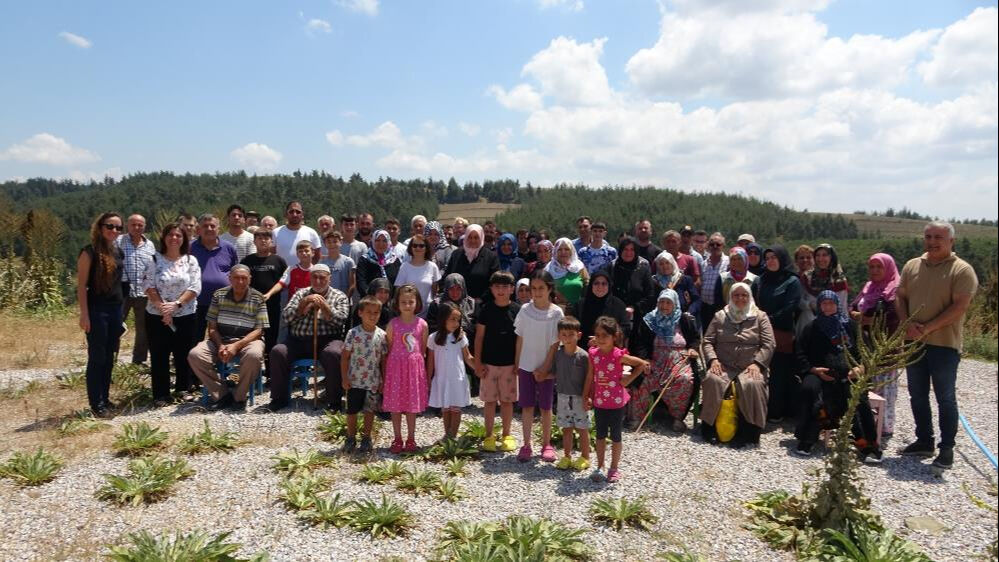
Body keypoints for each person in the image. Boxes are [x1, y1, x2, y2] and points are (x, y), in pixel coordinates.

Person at [896, 221, 978, 469]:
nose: (932, 242)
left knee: (945, 398)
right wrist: (906, 324)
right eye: (928, 236)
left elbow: (960, 307)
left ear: (951, 241)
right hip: (913, 342)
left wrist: (928, 328)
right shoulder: (912, 266)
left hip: (944, 346)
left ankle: (947, 449)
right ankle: (924, 440)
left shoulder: (962, 270)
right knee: (917, 395)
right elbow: (900, 296)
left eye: (938, 237)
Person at [793, 291, 881, 463]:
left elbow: (867, 352)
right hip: (820, 374)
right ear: (819, 306)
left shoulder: (851, 327)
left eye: (830, 303)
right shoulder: (811, 327)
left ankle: (867, 445)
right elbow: (800, 353)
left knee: (857, 398)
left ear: (837, 305)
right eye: (823, 304)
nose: (827, 307)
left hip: (849, 375)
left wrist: (860, 368)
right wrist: (813, 370)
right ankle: (808, 439)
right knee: (810, 389)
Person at [700, 282, 775, 447]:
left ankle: (749, 432)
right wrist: (713, 360)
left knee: (752, 384)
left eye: (744, 295)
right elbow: (707, 342)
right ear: (730, 297)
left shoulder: (760, 317)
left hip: (750, 366)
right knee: (713, 380)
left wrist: (757, 364)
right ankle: (710, 428)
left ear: (750, 297)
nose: (740, 298)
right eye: (736, 295)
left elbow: (769, 344)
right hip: (724, 364)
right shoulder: (720, 316)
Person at [267, 264, 350, 411]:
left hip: (328, 340)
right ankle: (279, 399)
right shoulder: (300, 294)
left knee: (334, 354)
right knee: (278, 351)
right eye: (315, 277)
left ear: (329, 279)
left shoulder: (339, 296)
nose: (318, 281)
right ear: (310, 278)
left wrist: (325, 307)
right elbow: (286, 318)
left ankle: (334, 401)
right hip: (298, 340)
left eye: (322, 278)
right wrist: (302, 305)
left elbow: (341, 321)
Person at [187, 265, 268, 412]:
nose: (240, 281)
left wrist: (236, 346)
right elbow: (212, 327)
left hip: (248, 340)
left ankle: (239, 396)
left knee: (254, 355)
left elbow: (259, 330)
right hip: (221, 339)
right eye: (236, 278)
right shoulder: (219, 295)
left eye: (244, 278)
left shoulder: (258, 298)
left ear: (250, 279)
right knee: (195, 355)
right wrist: (220, 346)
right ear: (229, 278)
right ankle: (221, 394)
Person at [583, 316, 649, 483]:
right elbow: (590, 376)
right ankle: (599, 466)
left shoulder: (618, 355)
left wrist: (629, 379)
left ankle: (614, 467)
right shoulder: (593, 354)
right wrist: (586, 396)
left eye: (605, 335)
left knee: (616, 436)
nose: (601, 339)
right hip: (599, 402)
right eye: (597, 335)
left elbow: (641, 364)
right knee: (599, 435)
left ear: (614, 336)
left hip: (616, 403)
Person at [143, 223, 201, 406]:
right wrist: (163, 308)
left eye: (178, 235)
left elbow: (195, 287)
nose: (174, 238)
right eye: (170, 235)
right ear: (164, 238)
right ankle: (161, 393)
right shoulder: (154, 259)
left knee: (184, 353)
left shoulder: (191, 261)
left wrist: (176, 305)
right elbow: (148, 285)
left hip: (185, 315)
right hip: (156, 315)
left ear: (184, 239)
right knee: (159, 354)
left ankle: (183, 388)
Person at [628, 289, 701, 432]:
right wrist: (644, 360)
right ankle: (637, 418)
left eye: (668, 302)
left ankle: (677, 417)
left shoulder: (684, 319)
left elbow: (695, 338)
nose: (664, 305)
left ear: (675, 304)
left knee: (685, 380)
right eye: (662, 302)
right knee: (642, 378)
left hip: (679, 361)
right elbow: (640, 343)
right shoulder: (649, 320)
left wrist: (693, 349)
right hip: (655, 359)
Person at [78, 212, 125, 417]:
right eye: (110, 226)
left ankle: (105, 399)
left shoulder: (118, 252)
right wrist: (84, 314)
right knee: (97, 357)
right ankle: (96, 404)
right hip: (97, 311)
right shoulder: (89, 253)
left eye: (118, 228)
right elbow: (81, 286)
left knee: (109, 357)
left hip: (115, 311)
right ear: (99, 227)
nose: (114, 230)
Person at [849, 253, 901, 441]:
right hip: (864, 345)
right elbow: (853, 306)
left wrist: (868, 320)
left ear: (888, 268)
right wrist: (858, 316)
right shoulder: (868, 287)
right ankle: (864, 425)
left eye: (879, 267)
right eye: (872, 267)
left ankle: (883, 429)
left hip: (885, 348)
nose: (875, 271)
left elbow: (893, 319)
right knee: (865, 387)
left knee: (884, 389)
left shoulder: (894, 291)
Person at [514, 270, 564, 463]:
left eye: (541, 288)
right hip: (526, 366)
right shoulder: (525, 310)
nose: (537, 292)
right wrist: (517, 364)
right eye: (533, 288)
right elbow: (519, 338)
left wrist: (545, 368)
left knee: (545, 407)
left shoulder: (557, 312)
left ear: (549, 289)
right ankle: (526, 444)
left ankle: (546, 444)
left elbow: (555, 343)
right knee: (526, 406)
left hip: (547, 368)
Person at [753, 245, 802, 424]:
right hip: (759, 331)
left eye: (774, 257)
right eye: (768, 258)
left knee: (779, 374)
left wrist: (766, 320)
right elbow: (752, 304)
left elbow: (791, 306)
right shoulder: (760, 280)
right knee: (758, 370)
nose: (771, 261)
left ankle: (776, 410)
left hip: (781, 332)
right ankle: (757, 407)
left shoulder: (792, 281)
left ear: (782, 259)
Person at [474, 271, 520, 452]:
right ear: (491, 289)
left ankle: (507, 434)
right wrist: (477, 362)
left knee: (507, 401)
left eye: (505, 286)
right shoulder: (485, 310)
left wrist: (518, 361)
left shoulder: (517, 310)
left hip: (510, 364)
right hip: (489, 364)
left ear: (511, 289)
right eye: (497, 286)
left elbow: (520, 339)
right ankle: (489, 435)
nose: (501, 290)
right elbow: (479, 337)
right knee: (490, 401)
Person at [383, 284, 429, 453]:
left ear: (417, 303)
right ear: (397, 303)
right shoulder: (392, 324)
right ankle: (397, 438)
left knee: (411, 406)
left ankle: (411, 438)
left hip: (413, 369)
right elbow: (389, 345)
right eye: (404, 302)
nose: (407, 305)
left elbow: (422, 349)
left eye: (411, 302)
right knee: (395, 406)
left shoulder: (422, 324)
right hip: (396, 369)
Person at [340, 295, 389, 454]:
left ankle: (366, 437)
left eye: (376, 312)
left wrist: (383, 380)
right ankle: (350, 437)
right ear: (360, 313)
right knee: (352, 411)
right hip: (354, 381)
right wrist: (345, 378)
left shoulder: (382, 335)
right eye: (369, 312)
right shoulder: (352, 333)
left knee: (370, 411)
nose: (373, 316)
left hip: (373, 381)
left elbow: (383, 360)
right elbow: (345, 358)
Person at [240, 228, 286, 374]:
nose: (263, 240)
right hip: (251, 307)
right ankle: (252, 371)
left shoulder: (278, 260)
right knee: (251, 338)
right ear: (254, 241)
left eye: (266, 238)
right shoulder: (247, 261)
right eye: (259, 238)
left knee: (272, 339)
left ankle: (271, 372)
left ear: (271, 241)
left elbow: (283, 282)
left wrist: (270, 294)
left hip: (272, 306)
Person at [428, 302, 476, 440]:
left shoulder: (460, 337)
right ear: (443, 319)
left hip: (457, 378)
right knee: (446, 409)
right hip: (442, 378)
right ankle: (447, 435)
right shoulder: (433, 338)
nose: (456, 323)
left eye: (458, 320)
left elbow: (468, 357)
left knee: (455, 409)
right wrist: (428, 379)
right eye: (452, 319)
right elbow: (430, 361)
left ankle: (452, 436)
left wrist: (479, 368)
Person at [190, 214, 238, 341]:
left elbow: (234, 273)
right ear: (198, 229)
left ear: (218, 229)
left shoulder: (229, 248)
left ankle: (221, 361)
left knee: (223, 338)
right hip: (196, 302)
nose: (209, 229)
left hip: (223, 302)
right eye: (205, 226)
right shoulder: (190, 248)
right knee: (194, 337)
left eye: (213, 226)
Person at [552, 316, 592, 471]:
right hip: (562, 396)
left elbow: (590, 378)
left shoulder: (584, 356)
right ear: (559, 336)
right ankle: (567, 456)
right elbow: (553, 372)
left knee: (582, 428)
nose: (567, 338)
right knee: (566, 428)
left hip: (579, 398)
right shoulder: (558, 354)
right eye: (564, 334)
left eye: (571, 334)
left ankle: (585, 457)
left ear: (578, 335)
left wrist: (587, 396)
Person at [116, 213, 155, 364]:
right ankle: (111, 359)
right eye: (133, 224)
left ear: (144, 227)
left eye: (140, 225)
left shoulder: (150, 245)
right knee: (116, 326)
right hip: (121, 291)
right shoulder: (118, 241)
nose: (137, 227)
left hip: (143, 293)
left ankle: (138, 361)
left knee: (143, 330)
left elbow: (152, 268)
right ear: (127, 225)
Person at [571, 270, 630, 348]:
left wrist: (602, 339)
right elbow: (573, 329)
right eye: (596, 283)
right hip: (584, 349)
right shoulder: (579, 305)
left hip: (611, 350)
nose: (600, 286)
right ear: (591, 285)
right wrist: (589, 342)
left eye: (604, 283)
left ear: (609, 285)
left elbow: (625, 328)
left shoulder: (618, 305)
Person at [444, 223, 499, 301]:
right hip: (456, 304)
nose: (473, 240)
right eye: (470, 237)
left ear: (481, 238)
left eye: (476, 237)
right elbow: (447, 277)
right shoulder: (456, 255)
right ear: (466, 237)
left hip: (482, 305)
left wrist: (481, 299)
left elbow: (494, 282)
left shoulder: (491, 257)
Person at [608, 237, 657, 318]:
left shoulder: (643, 269)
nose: (628, 253)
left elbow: (650, 295)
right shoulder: (612, 268)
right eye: (625, 249)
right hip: (614, 315)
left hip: (638, 316)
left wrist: (634, 307)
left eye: (632, 250)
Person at [394, 234, 441, 318]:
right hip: (408, 312)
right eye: (415, 245)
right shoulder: (404, 267)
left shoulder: (432, 266)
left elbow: (434, 291)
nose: (418, 248)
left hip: (427, 313)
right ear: (411, 248)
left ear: (426, 248)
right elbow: (398, 290)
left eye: (421, 246)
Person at [803, 244, 849, 318]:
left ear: (831, 257)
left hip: (835, 321)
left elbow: (842, 306)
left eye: (824, 255)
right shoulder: (808, 277)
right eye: (818, 255)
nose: (820, 259)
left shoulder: (838, 279)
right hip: (811, 320)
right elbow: (806, 300)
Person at [652, 251, 700, 320]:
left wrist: (690, 312)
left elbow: (696, 299)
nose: (665, 266)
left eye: (667, 263)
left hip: (682, 319)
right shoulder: (654, 281)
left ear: (672, 263)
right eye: (661, 264)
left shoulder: (684, 279)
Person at [273, 201, 321, 268]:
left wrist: (305, 269)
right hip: (281, 275)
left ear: (302, 215)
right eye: (291, 211)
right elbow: (272, 255)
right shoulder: (275, 232)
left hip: (304, 275)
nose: (294, 214)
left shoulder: (312, 233)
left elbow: (317, 256)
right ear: (286, 214)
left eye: (298, 212)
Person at [356, 229, 402, 298]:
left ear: (389, 242)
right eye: (377, 240)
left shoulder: (395, 260)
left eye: (384, 241)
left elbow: (399, 282)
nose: (381, 244)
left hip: (390, 303)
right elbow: (361, 282)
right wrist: (371, 299)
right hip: (369, 302)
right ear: (372, 241)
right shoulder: (364, 260)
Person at [698, 232, 729, 329]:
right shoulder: (703, 264)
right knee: (707, 334)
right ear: (708, 246)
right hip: (705, 307)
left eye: (718, 244)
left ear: (723, 246)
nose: (715, 246)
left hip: (722, 306)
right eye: (712, 244)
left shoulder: (729, 262)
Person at [547, 237, 588, 307]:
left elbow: (587, 287)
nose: (563, 252)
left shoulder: (579, 267)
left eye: (566, 249)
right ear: (555, 251)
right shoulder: (549, 269)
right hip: (555, 311)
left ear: (571, 251)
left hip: (578, 311)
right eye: (559, 249)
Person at [320, 230, 356, 300]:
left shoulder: (348, 262)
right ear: (325, 244)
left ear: (341, 242)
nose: (332, 244)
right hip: (327, 300)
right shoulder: (322, 263)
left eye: (335, 241)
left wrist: (345, 299)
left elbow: (352, 284)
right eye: (329, 242)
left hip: (344, 300)